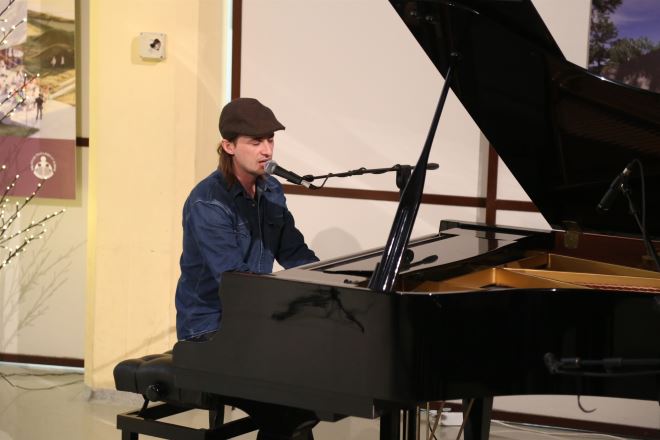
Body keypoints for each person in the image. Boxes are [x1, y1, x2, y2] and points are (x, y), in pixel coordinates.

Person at [175, 97, 318, 341]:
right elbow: (234, 279)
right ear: (229, 146)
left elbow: (295, 254)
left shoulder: (271, 189)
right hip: (209, 324)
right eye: (256, 142)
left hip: (254, 311)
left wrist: (330, 287)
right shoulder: (208, 202)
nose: (267, 151)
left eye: (270, 140)